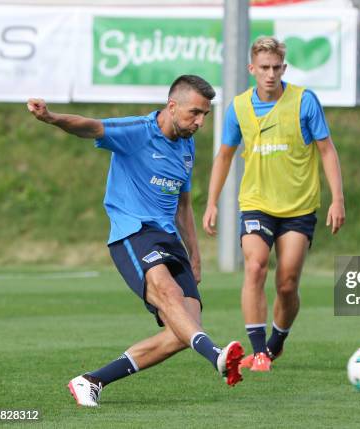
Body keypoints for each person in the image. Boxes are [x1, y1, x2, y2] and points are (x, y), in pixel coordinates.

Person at [27, 75, 244, 407]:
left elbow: (183, 205)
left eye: (205, 115)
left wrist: (195, 255)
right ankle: (215, 355)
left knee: (182, 331)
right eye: (194, 113)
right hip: (134, 232)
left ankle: (91, 381)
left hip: (170, 239)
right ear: (172, 106)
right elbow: (89, 126)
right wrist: (51, 117)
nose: (200, 122)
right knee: (168, 295)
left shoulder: (187, 143)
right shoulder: (137, 132)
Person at [202, 37, 345, 372]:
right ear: (252, 68)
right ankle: (258, 352)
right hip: (256, 203)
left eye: (276, 68)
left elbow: (326, 150)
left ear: (285, 68)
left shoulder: (304, 101)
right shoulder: (238, 107)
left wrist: (337, 199)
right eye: (263, 68)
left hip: (298, 207)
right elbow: (224, 156)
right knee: (255, 266)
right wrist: (211, 203)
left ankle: (275, 343)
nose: (270, 74)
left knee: (287, 282)